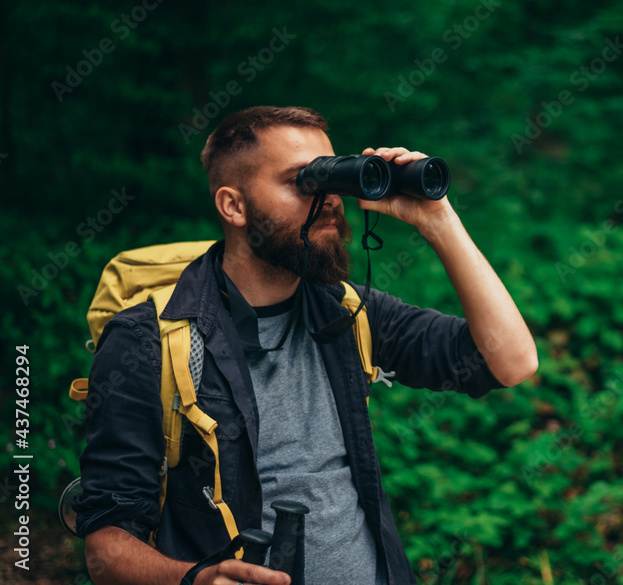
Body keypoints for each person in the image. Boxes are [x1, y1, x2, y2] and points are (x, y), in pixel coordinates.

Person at [72, 106, 538, 585]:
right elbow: (105, 546)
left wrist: (438, 218)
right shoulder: (147, 339)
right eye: (303, 180)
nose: (329, 197)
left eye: (331, 176)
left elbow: (510, 362)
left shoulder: (349, 311)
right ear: (233, 206)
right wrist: (197, 579)